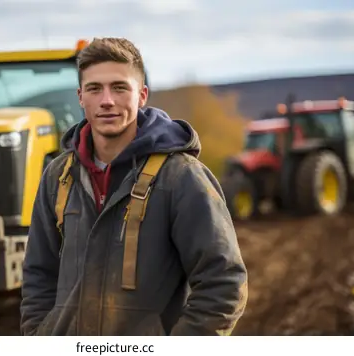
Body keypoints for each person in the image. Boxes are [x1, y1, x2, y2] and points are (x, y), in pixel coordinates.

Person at [20, 37, 248, 336]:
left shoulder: (181, 177)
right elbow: (39, 275)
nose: (106, 101)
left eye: (119, 87)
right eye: (94, 89)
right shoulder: (57, 177)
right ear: (80, 97)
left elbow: (223, 283)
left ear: (141, 96)